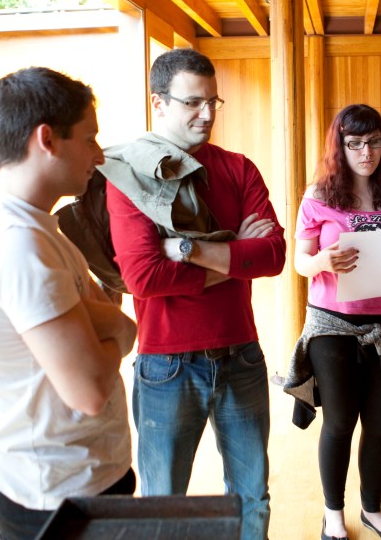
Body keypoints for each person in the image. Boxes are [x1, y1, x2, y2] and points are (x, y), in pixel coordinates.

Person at [0, 67, 137, 540]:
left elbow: (93, 315)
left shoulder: (28, 224)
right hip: (56, 489)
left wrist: (104, 325)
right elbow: (89, 389)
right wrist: (121, 328)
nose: (98, 154)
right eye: (89, 138)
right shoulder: (16, 242)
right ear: (46, 139)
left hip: (66, 476)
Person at [105, 48, 285, 540]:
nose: (206, 114)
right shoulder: (130, 173)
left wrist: (189, 249)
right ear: (158, 103)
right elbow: (144, 277)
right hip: (167, 365)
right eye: (192, 103)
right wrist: (235, 252)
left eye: (213, 102)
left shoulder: (238, 168)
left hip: (241, 355)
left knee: (252, 496)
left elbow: (273, 255)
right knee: (164, 503)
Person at [281, 103, 381, 540]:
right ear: (340, 146)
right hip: (333, 325)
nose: (366, 152)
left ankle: (372, 509)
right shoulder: (318, 196)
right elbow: (300, 263)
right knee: (339, 422)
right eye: (355, 143)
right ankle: (333, 513)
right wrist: (322, 261)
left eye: (374, 142)